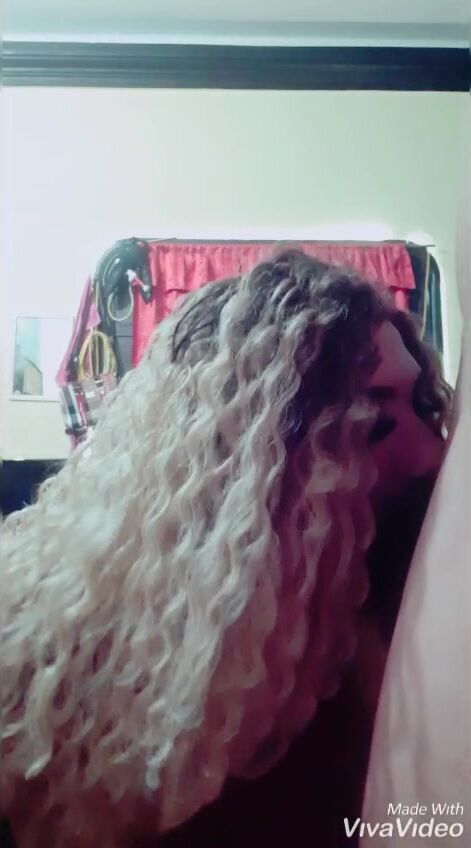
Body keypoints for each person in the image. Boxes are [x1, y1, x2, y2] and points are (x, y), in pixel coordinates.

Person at [1, 250, 450, 848]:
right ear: (252, 466)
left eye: (424, 407)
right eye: (371, 423)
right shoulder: (74, 675)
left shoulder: (404, 618)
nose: (431, 455)